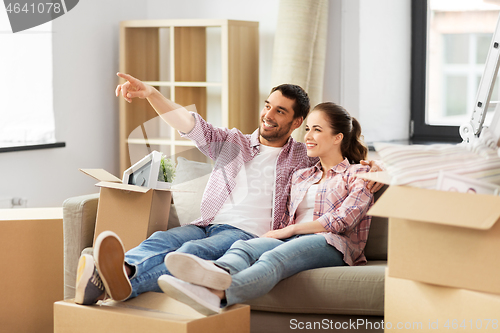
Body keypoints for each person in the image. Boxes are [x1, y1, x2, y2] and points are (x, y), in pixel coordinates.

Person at [74, 73, 383, 306]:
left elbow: (339, 158)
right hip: (207, 223)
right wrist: (152, 94)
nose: (268, 116)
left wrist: (374, 167)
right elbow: (190, 124)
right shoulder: (233, 143)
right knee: (162, 239)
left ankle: (109, 285)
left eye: (280, 112)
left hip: (246, 234)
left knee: (190, 253)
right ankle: (119, 272)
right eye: (268, 107)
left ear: (296, 121)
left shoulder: (303, 155)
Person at [156, 102, 374, 316]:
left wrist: (289, 231)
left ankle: (219, 294)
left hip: (332, 242)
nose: (307, 136)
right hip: (292, 238)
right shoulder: (303, 175)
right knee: (243, 247)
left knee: (275, 257)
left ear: (338, 137)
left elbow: (342, 220)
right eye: (307, 129)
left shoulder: (359, 175)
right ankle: (213, 275)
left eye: (317, 130)